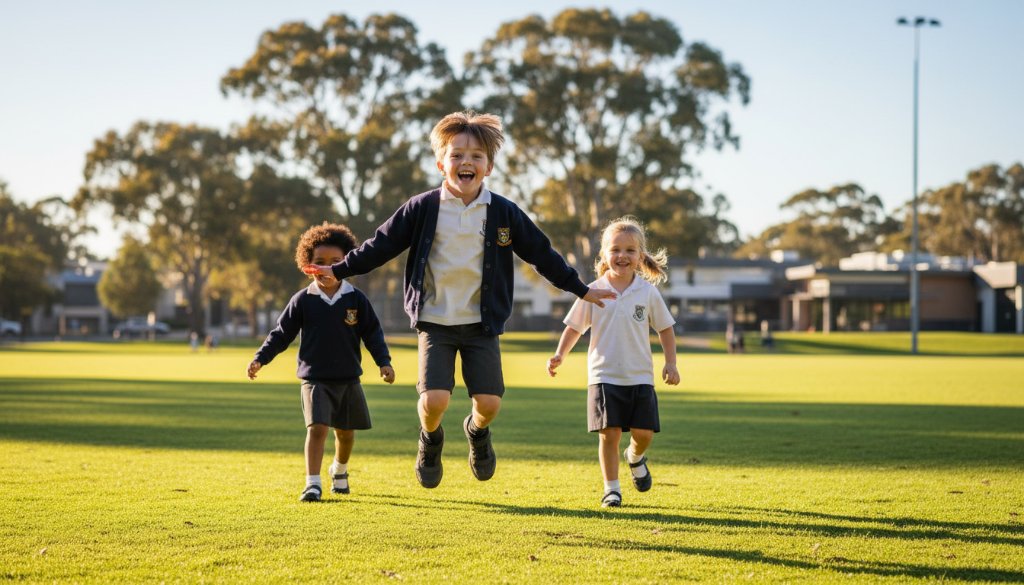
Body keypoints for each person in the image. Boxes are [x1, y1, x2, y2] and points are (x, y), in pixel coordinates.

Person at [303, 111, 616, 489]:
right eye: (456, 155)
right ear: (441, 163)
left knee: (489, 404)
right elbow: (380, 246)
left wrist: (580, 288)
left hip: (481, 325)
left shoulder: (503, 212)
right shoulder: (422, 208)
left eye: (476, 156)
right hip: (436, 321)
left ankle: (476, 432)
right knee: (434, 401)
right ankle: (430, 439)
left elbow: (541, 253)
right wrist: (340, 269)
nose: (466, 161)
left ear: (489, 167)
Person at [248, 223, 395, 502]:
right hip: (315, 378)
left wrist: (383, 362)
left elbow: (372, 334)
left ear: (347, 263)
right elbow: (281, 334)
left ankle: (339, 470)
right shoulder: (302, 300)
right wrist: (261, 358)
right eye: (319, 263)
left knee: (346, 434)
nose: (327, 268)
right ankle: (312, 483)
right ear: (307, 265)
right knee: (317, 429)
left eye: (336, 262)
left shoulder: (356, 299)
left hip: (348, 378)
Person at [547, 216, 680, 508]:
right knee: (609, 435)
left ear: (640, 256)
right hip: (604, 375)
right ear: (605, 255)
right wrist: (560, 354)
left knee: (643, 434)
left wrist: (671, 363)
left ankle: (635, 457)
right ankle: (612, 489)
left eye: (630, 250)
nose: (622, 256)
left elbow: (666, 328)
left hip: (640, 376)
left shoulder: (647, 292)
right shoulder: (592, 291)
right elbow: (574, 327)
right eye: (615, 249)